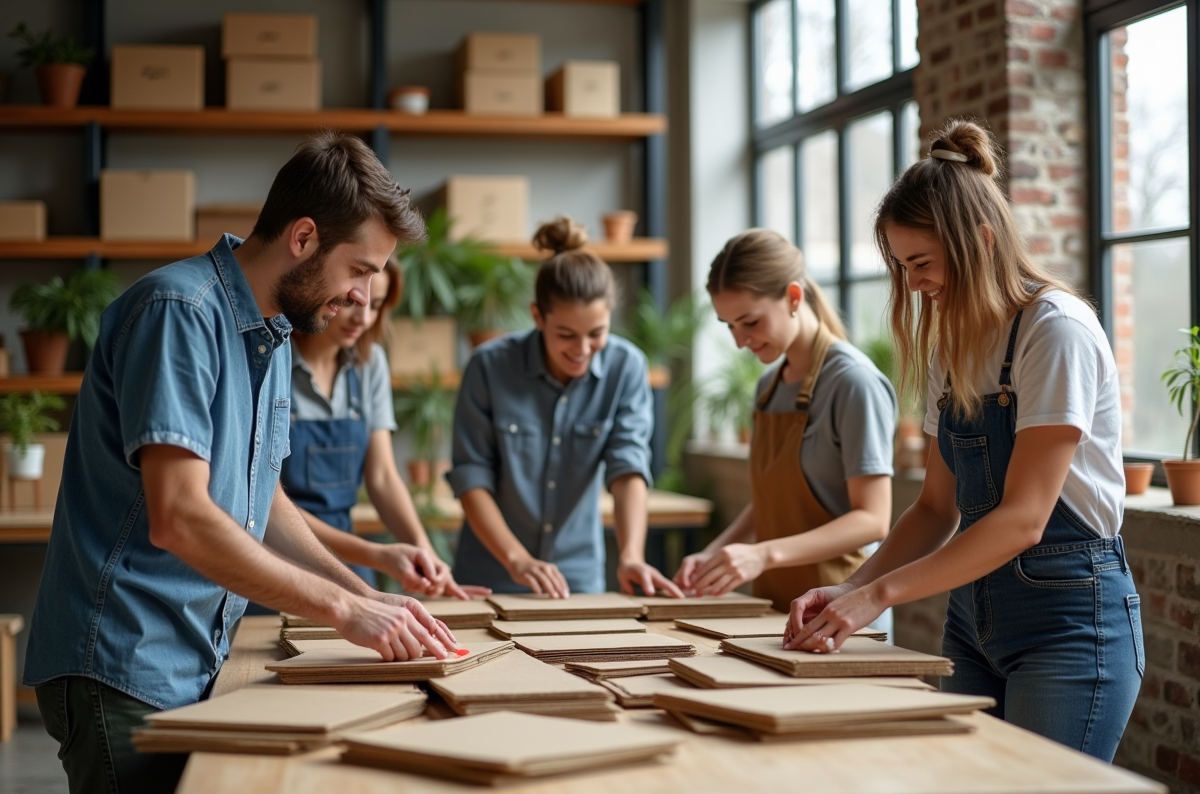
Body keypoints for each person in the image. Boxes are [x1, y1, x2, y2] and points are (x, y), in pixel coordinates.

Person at [23, 132, 458, 794]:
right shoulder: (179, 313)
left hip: (191, 654)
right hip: (123, 661)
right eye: (360, 269)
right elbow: (180, 517)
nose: (363, 297)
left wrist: (366, 594)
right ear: (304, 237)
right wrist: (342, 609)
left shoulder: (272, 333)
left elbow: (263, 498)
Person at [784, 120, 1142, 762]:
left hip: (1069, 625)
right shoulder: (951, 346)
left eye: (921, 263)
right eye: (902, 267)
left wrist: (877, 597)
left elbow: (1024, 520)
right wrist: (851, 587)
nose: (913, 284)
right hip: (973, 624)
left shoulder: (1055, 331)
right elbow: (934, 509)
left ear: (980, 238)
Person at [447, 216, 684, 598]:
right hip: (490, 573)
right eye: (566, 335)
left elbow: (628, 467)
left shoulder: (626, 367)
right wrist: (517, 560)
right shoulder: (489, 367)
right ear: (537, 316)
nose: (583, 349)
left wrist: (631, 555)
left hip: (577, 579)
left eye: (597, 333)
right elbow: (471, 476)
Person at [674, 229, 897, 627]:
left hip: (841, 616)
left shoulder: (853, 382)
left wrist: (762, 554)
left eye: (750, 322)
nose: (740, 340)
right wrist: (714, 554)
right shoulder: (768, 388)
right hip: (776, 612)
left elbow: (872, 519)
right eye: (729, 326)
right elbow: (772, 503)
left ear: (794, 297)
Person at [283, 255, 486, 599]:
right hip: (276, 552)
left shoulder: (370, 363)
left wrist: (425, 552)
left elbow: (382, 477)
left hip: (347, 558)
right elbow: (267, 504)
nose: (363, 319)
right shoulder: (274, 360)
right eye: (351, 303)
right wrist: (377, 555)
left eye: (375, 306)